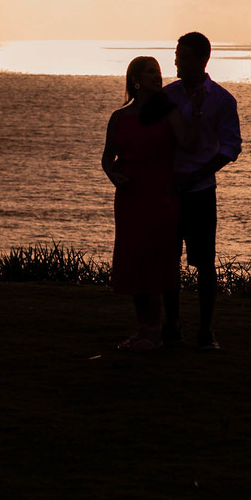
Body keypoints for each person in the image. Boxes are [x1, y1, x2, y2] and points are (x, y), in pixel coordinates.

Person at [101, 56, 201, 351]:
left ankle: (154, 332)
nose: (158, 76)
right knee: (134, 259)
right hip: (130, 197)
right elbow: (107, 157)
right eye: (150, 72)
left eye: (158, 71)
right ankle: (143, 329)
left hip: (160, 196)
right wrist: (113, 174)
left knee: (155, 260)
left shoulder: (168, 112)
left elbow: (189, 144)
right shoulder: (119, 117)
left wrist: (197, 111)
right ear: (135, 79)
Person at [162, 32, 242, 350]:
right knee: (168, 260)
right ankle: (172, 326)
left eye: (182, 56)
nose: (176, 62)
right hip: (170, 190)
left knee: (205, 264)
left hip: (201, 192)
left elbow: (231, 147)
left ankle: (205, 331)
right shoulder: (168, 95)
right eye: (176, 55)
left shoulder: (222, 100)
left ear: (201, 60)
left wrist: (196, 175)